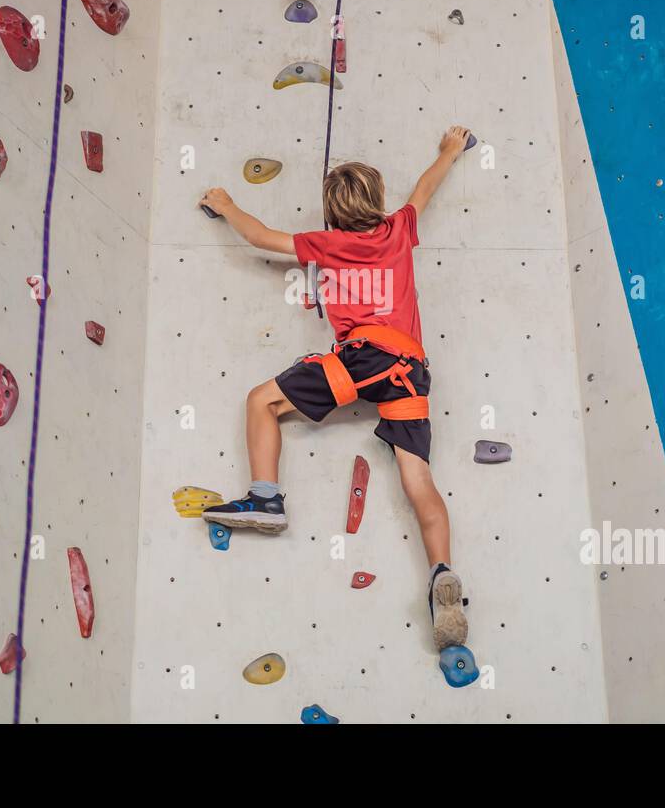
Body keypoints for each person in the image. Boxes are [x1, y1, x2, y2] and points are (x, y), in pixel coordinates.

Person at [197, 126, 472, 650]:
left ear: (331, 214)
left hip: (367, 354)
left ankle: (265, 499)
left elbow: (260, 238)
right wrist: (451, 150)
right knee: (418, 479)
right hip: (411, 369)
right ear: (378, 201)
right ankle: (442, 570)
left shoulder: (326, 243)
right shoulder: (399, 228)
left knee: (262, 401)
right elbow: (425, 188)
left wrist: (226, 203)